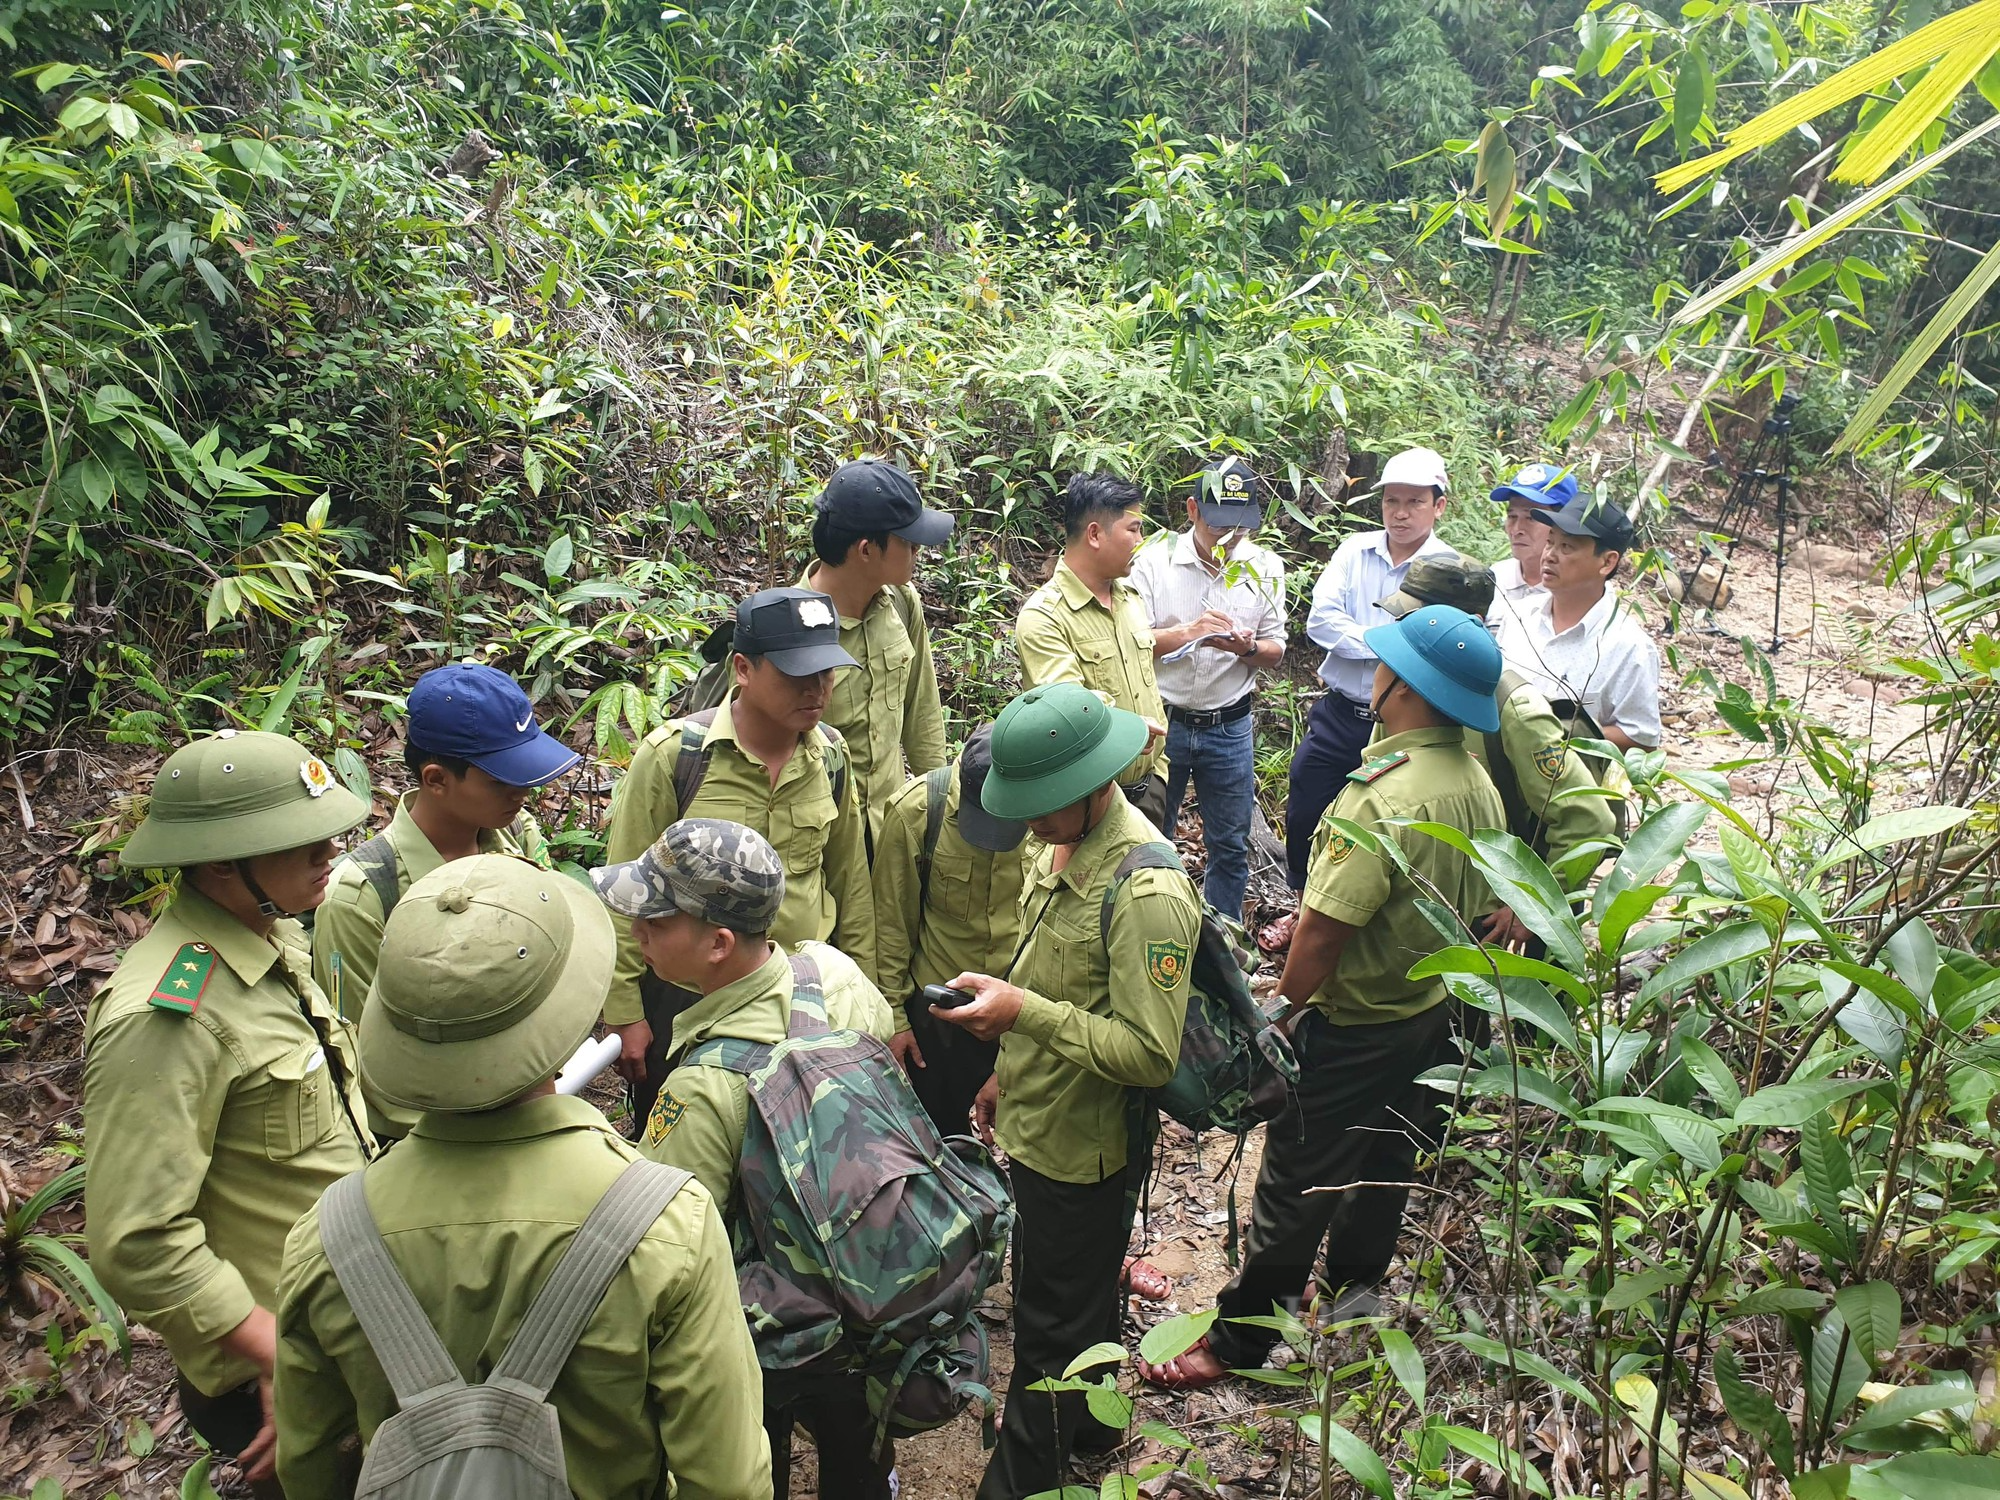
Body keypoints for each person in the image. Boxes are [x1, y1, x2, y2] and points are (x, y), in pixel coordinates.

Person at [274, 854, 771, 1500]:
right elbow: (727, 1481)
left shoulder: (328, 1239)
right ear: (562, 1021)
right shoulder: (664, 1223)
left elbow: (309, 1464)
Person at [1140, 606, 1506, 1390]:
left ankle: (1240, 1340)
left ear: (1403, 686)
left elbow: (1325, 935)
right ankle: (1353, 1290)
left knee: (1293, 1184)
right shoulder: (1475, 780)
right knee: (1386, 1157)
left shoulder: (1380, 795)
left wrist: (1283, 1005)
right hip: (1430, 1012)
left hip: (1354, 1022)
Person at [928, 681, 1200, 1500]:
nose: (1027, 823)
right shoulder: (1060, 846)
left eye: (1041, 806)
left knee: (1049, 1328)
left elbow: (1150, 1052)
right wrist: (1003, 1068)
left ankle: (1022, 1481)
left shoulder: (1147, 890)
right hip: (1042, 1116)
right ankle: (1094, 1424)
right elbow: (1049, 971)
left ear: (1092, 788)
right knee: (1077, 1299)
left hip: (1087, 1145)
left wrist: (1025, 1015)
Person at [85, 730, 373, 1496]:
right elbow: (137, 1241)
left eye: (330, 833)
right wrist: (272, 1353)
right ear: (220, 863)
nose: (330, 853)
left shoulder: (272, 937)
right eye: (300, 841)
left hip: (343, 1322)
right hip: (283, 1356)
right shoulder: (167, 1016)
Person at [592, 818, 896, 1500]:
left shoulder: (705, 1085)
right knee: (858, 1452)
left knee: (759, 1447)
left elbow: (667, 1245)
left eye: (655, 919)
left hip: (771, 1327)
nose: (637, 931)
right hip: (866, 1283)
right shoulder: (834, 973)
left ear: (718, 944)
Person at [599, 586, 878, 1127]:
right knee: (684, 1137)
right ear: (744, 669)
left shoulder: (833, 757)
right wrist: (626, 1011)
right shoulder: (674, 757)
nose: (818, 689)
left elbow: (849, 880)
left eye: (827, 672)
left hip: (801, 994)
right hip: (690, 994)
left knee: (790, 1145)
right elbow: (628, 887)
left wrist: (861, 988)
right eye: (798, 674)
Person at [312, 660, 578, 1134]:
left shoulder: (514, 835)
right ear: (435, 779)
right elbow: (357, 1052)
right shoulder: (363, 897)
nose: (523, 793)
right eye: (501, 780)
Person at [1377, 556, 1618, 946]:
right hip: (1421, 900)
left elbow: (1588, 821)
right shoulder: (1401, 688)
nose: (1404, 632)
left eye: (1421, 621)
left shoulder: (1512, 707)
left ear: (1470, 621)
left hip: (1486, 908)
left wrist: (1532, 904)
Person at [1285, 446, 1458, 894]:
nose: (1400, 514)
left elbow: (1442, 648)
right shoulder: (1354, 550)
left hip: (1407, 724)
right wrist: (1391, 646)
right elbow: (1320, 621)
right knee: (1307, 802)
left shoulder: (1449, 571)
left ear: (1438, 506)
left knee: (1387, 822)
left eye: (1414, 502)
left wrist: (1360, 638)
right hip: (1340, 713)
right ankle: (1302, 903)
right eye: (1391, 501)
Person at [1129, 455, 1287, 919]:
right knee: (1151, 833)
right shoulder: (1154, 564)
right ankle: (1155, 926)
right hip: (1164, 719)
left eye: (1239, 527)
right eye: (1219, 525)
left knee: (1230, 843)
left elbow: (1276, 648)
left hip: (1230, 723)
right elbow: (1134, 643)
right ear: (1192, 509)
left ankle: (1224, 941)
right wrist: (1192, 631)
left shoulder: (1264, 566)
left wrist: (1245, 647)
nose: (1230, 537)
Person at [873, 724, 1030, 1136]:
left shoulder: (1049, 811)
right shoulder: (918, 813)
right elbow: (890, 923)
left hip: (1022, 1010)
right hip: (938, 1015)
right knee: (933, 1143)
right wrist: (895, 1020)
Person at [798, 459, 953, 848]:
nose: (918, 550)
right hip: (824, 843)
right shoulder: (788, 630)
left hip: (889, 832)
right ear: (866, 550)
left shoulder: (901, 602)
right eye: (908, 541)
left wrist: (939, 811)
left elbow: (922, 712)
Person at [1015, 471, 1170, 829]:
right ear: (1096, 534)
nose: (1141, 541)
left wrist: (1159, 773)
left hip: (1150, 788)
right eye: (1134, 530)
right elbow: (1068, 709)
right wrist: (1129, 728)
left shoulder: (1130, 600)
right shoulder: (1044, 617)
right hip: (1089, 800)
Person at [1496, 492, 1662, 752]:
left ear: (1607, 562)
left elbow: (1641, 738)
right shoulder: (1517, 617)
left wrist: (1560, 737)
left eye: (1567, 547)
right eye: (1550, 542)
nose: (1549, 555)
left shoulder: (1628, 646)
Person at [1485, 461, 1575, 631]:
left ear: (1563, 523)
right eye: (1512, 516)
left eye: (1531, 518)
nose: (1517, 530)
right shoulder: (1494, 579)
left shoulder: (1576, 593)